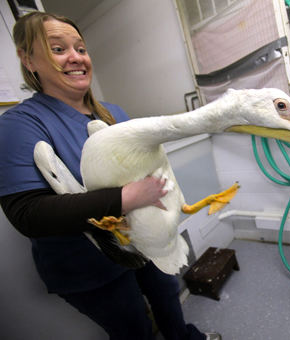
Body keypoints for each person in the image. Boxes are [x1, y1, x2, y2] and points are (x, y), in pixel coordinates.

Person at [0, 11, 221, 340]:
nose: (76, 57)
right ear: (28, 59)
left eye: (80, 48)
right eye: (58, 49)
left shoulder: (114, 113)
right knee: (133, 329)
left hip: (143, 244)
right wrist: (124, 199)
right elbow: (27, 215)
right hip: (87, 268)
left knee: (167, 295)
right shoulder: (18, 126)